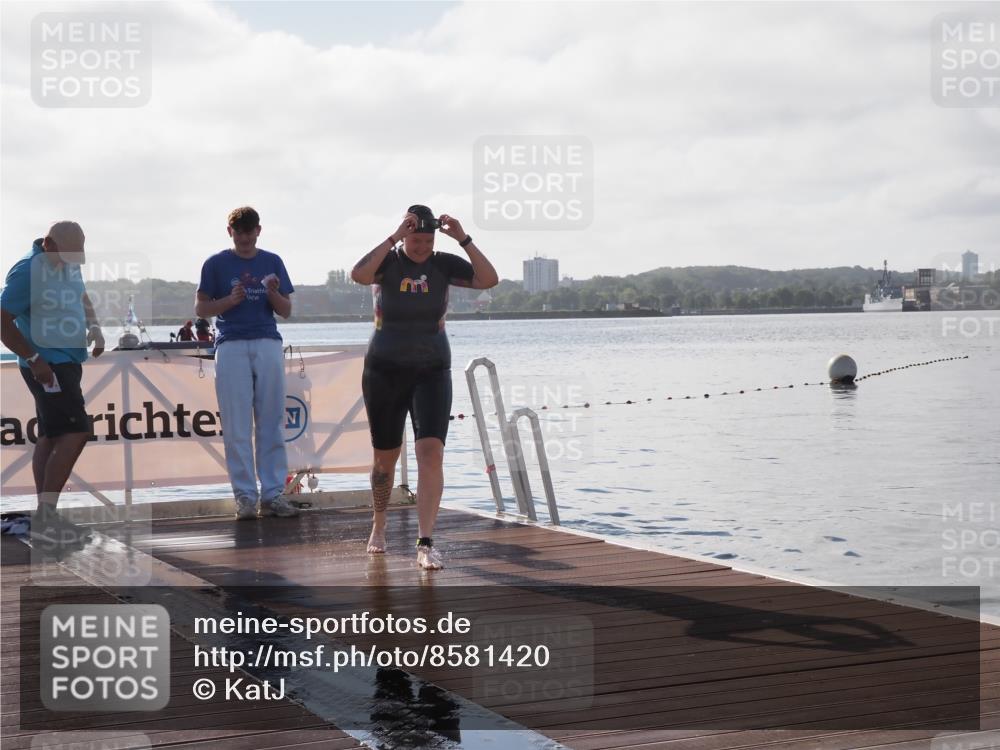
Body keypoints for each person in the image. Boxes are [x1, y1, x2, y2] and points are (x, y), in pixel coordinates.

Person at [351, 205, 498, 569]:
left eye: (427, 240)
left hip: (432, 368)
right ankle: (379, 524)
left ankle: (425, 542)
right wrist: (392, 238)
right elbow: (359, 274)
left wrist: (463, 238)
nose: (421, 247)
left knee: (431, 452)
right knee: (385, 458)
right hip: (384, 369)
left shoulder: (444, 264)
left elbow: (488, 279)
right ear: (405, 234)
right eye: (415, 240)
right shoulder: (388, 262)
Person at [0, 221, 105, 539]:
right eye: (67, 257)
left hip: (69, 361)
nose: (71, 264)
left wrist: (95, 327)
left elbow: (82, 295)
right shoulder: (27, 272)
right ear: (48, 244)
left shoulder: (67, 263)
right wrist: (34, 360)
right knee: (76, 432)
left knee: (51, 434)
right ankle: (47, 516)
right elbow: (2, 320)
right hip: (48, 364)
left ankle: (45, 518)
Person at [195, 206, 298, 520]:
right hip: (231, 345)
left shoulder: (273, 261)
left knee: (271, 423)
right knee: (237, 426)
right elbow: (201, 309)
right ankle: (244, 498)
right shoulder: (215, 263)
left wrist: (271, 293)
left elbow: (286, 311)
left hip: (267, 342)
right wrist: (229, 301)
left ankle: (273, 495)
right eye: (238, 230)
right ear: (230, 232)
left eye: (249, 230)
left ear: (258, 231)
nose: (244, 236)